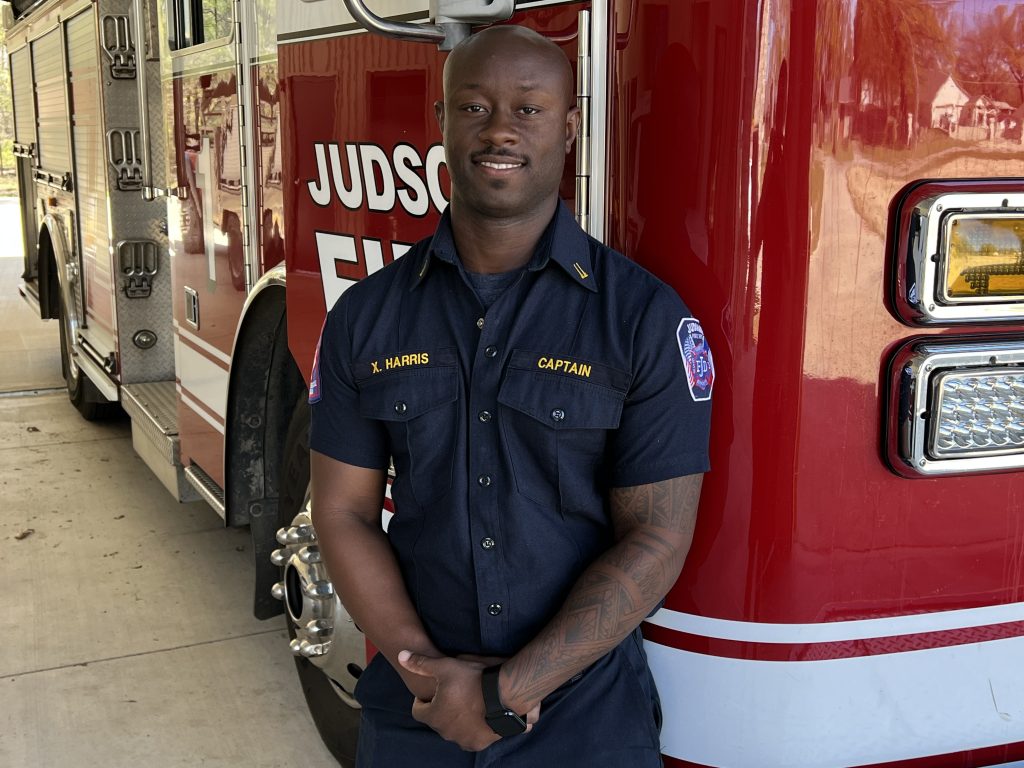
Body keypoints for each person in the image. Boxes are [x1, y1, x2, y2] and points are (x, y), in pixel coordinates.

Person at [308, 24, 713, 767]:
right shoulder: (365, 317)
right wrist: (425, 676)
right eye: (473, 107)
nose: (499, 129)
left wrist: (505, 692)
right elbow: (343, 512)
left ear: (567, 126)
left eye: (528, 110)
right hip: (417, 711)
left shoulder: (643, 320)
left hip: (584, 712)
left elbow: (658, 539)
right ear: (440, 123)